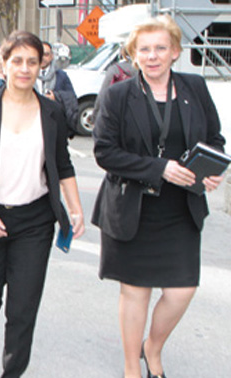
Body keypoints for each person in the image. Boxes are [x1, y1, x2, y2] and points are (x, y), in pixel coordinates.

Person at [92, 15, 225, 378]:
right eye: (145, 49)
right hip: (133, 207)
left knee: (182, 290)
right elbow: (105, 152)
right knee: (136, 293)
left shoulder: (195, 87)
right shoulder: (119, 94)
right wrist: (159, 168)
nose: (152, 56)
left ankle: (153, 346)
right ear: (135, 55)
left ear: (176, 52)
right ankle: (130, 366)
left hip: (181, 208)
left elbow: (215, 140)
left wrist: (209, 171)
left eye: (160, 48)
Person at [0, 30, 85, 378]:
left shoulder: (52, 112)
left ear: (41, 65)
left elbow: (63, 164)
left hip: (35, 222)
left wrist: (75, 209)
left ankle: (12, 371)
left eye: (32, 61)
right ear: (3, 64)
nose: (25, 68)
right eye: (17, 61)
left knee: (23, 308)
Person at [38, 41, 78, 137]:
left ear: (52, 56)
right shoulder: (29, 74)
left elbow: (71, 98)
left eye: (46, 54)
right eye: (40, 54)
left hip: (54, 125)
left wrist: (56, 97)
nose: (43, 58)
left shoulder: (61, 76)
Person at [91, 46, 138, 125]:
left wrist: (95, 116)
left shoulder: (114, 69)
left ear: (122, 53)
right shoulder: (142, 70)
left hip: (116, 113)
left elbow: (103, 94)